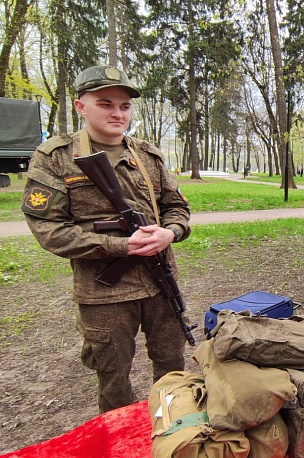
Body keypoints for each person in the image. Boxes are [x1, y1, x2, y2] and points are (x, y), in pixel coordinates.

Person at [21, 65, 191, 413]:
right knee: (113, 376)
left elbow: (177, 208)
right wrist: (120, 246)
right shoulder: (56, 157)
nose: (118, 113)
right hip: (105, 294)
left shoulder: (148, 155)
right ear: (81, 106)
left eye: (125, 106)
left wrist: (169, 233)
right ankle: (118, 438)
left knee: (173, 367)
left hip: (161, 282)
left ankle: (173, 432)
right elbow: (49, 230)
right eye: (105, 103)